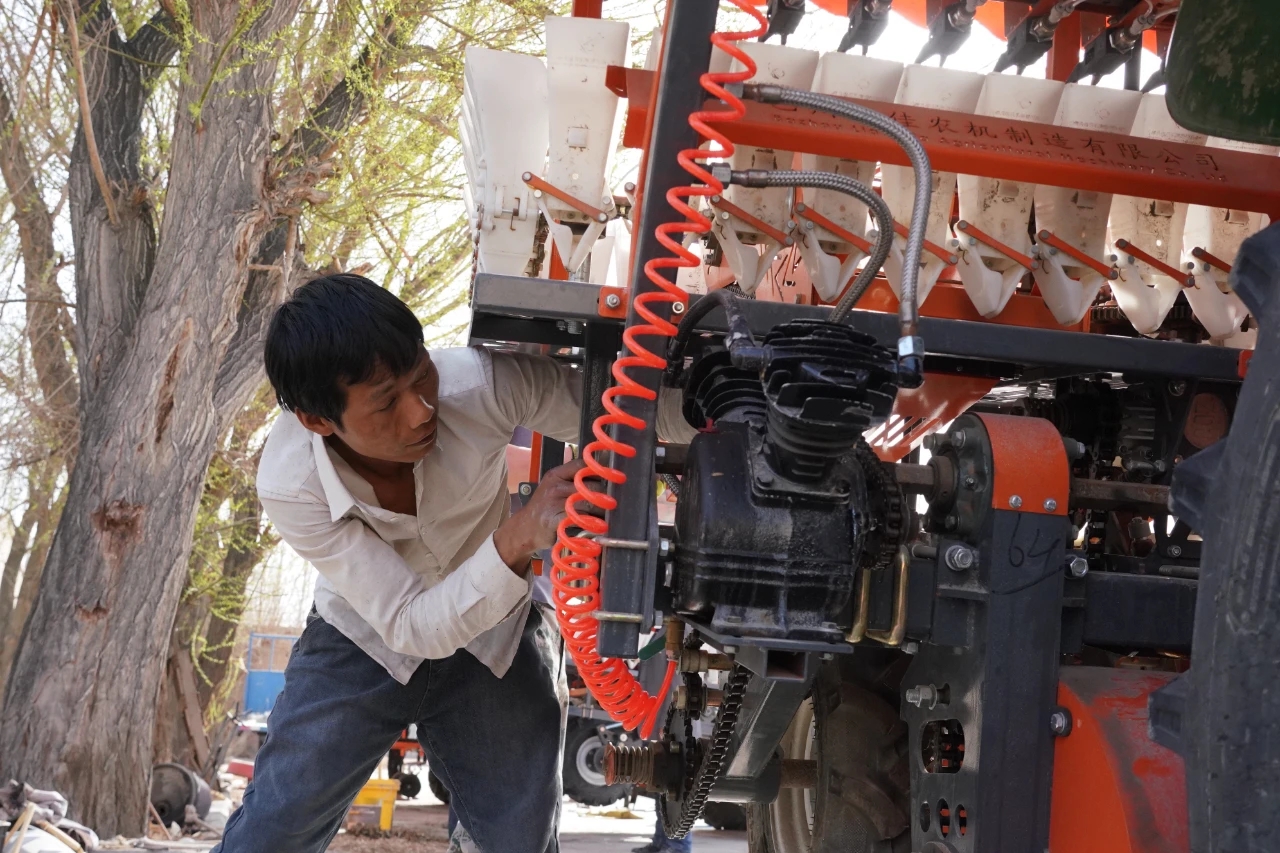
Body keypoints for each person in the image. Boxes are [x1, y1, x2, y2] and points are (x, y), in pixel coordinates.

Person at [215, 274, 692, 853]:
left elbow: (640, 415)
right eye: (386, 403)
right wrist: (518, 537)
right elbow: (410, 622)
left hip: (496, 637)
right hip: (362, 640)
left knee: (519, 844)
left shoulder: (480, 385)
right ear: (317, 420)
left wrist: (749, 409)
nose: (420, 411)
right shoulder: (291, 484)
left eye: (422, 375)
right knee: (273, 833)